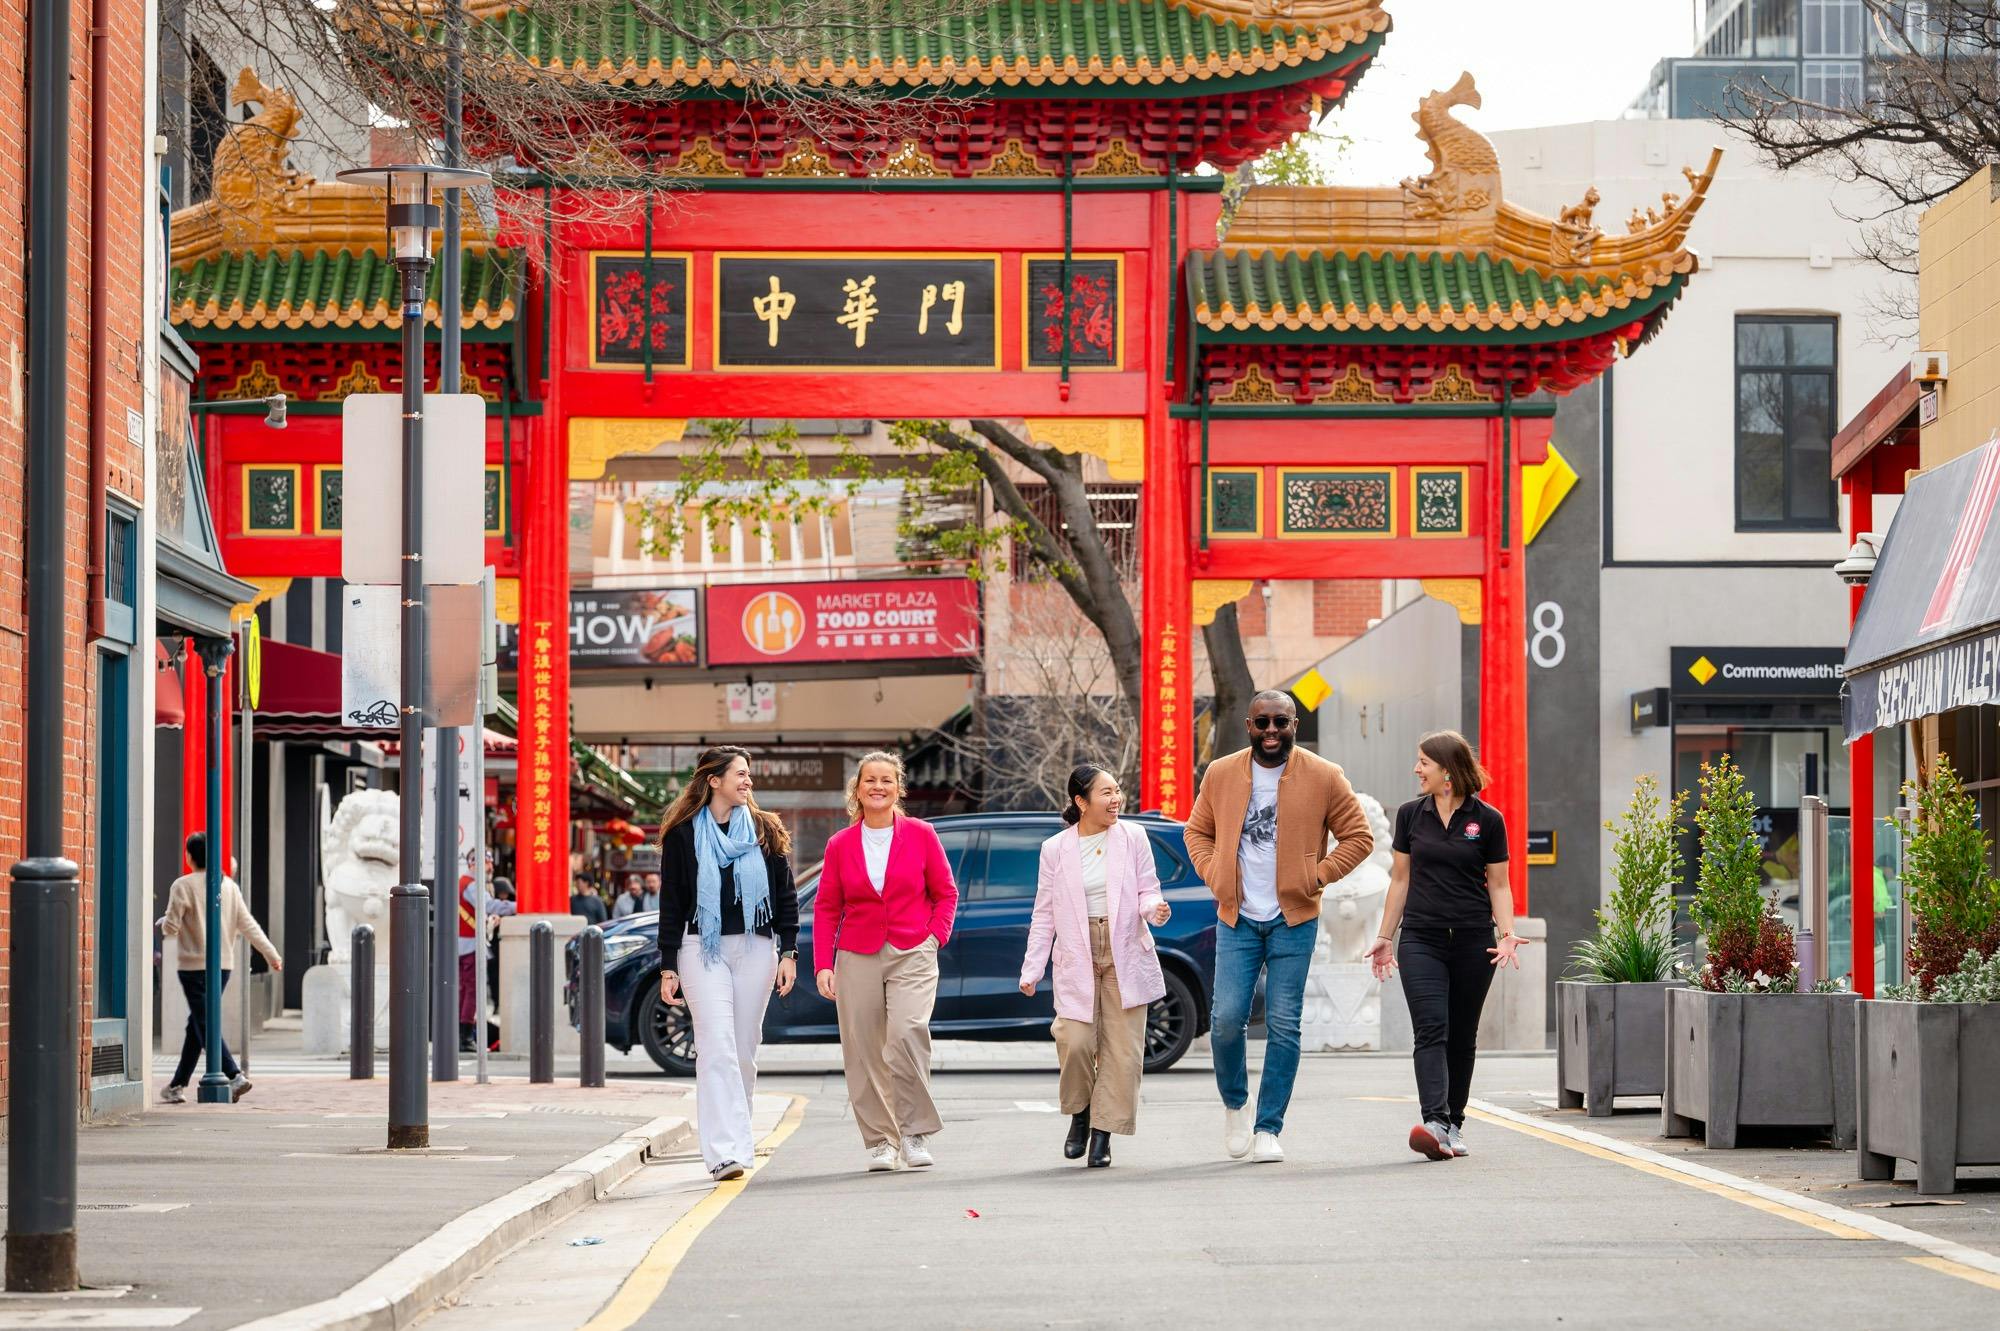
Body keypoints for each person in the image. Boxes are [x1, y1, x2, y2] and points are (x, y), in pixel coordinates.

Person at [1185, 690, 1373, 1164]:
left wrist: (1319, 875)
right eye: (1263, 723)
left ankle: (1269, 1127)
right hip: (1238, 917)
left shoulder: (1324, 775)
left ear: (1294, 725)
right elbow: (1196, 831)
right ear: (1248, 725)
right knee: (1226, 1021)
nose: (1272, 732)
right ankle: (1235, 1105)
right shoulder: (1222, 772)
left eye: (1282, 723)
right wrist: (1215, 873)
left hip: (1295, 917)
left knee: (1284, 1025)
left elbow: (1360, 836)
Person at [1367, 730, 1524, 1162]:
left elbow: (1498, 884)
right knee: (1431, 1028)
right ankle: (1434, 1121)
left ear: (1448, 772)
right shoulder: (1410, 815)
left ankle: (1454, 1122)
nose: (1416, 770)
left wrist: (1506, 932)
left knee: (1462, 1035)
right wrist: (1385, 936)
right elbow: (1400, 880)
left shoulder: (1488, 820)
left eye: (1423, 763)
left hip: (1474, 940)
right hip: (1421, 937)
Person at [657, 747, 799, 1181]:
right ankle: (724, 1153)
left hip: (757, 948)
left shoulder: (764, 829)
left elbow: (786, 895)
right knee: (715, 1046)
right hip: (702, 948)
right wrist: (668, 965)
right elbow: (672, 902)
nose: (748, 781)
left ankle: (739, 1137)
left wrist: (789, 951)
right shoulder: (683, 834)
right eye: (740, 774)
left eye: (749, 774)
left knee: (741, 1050)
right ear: (713, 780)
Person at [1019, 764, 1172, 1168]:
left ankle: (1103, 1134)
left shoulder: (1133, 837)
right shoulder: (1055, 849)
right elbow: (1044, 913)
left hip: (1124, 950)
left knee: (1122, 1051)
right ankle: (1081, 1111)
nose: (1116, 798)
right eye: (1106, 793)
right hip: (1077, 952)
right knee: (1075, 1040)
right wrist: (1032, 968)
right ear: (1081, 801)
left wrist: (1153, 909)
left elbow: (1147, 888)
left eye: (1117, 790)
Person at [814, 751, 958, 1172]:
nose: (878, 787)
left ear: (899, 788)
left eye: (887, 781)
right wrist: (824, 963)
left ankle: (914, 1133)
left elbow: (945, 893)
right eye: (870, 781)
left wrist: (934, 938)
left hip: (912, 948)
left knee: (907, 1032)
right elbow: (826, 907)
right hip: (856, 953)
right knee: (862, 1048)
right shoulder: (840, 844)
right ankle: (881, 1140)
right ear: (857, 790)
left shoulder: (921, 834)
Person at [157, 832, 283, 1103]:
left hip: (192, 967)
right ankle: (176, 1085)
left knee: (204, 1022)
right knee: (197, 1025)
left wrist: (163, 922)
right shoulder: (228, 886)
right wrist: (271, 954)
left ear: (190, 856)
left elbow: (172, 927)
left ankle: (234, 1074)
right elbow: (248, 924)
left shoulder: (183, 885)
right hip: (223, 967)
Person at [461, 871, 518, 1051]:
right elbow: (489, 905)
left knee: (464, 990)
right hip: (470, 944)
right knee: (471, 991)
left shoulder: (462, 882)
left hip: (462, 943)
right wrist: (520, 906)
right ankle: (465, 1036)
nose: (490, 867)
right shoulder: (470, 883)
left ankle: (462, 1035)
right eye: (487, 863)